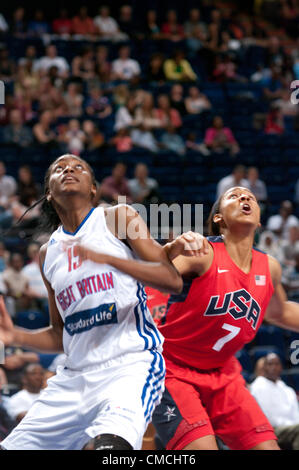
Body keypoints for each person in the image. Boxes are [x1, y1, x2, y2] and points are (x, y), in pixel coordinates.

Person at [0, 153, 200, 450]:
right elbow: (60, 335)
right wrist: (16, 335)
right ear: (48, 192)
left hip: (128, 366)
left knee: (112, 451)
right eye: (60, 168)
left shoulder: (118, 217)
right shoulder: (48, 253)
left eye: (78, 167)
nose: (69, 169)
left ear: (93, 188)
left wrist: (110, 259)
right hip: (74, 378)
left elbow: (170, 280)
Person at [152, 185, 299, 450]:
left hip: (224, 375)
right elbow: (153, 280)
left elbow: (280, 312)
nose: (245, 197)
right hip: (172, 369)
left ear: (259, 218)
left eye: (250, 197)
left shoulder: (270, 267)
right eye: (234, 196)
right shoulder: (202, 252)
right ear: (218, 217)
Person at [250, 353, 299, 450]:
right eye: (270, 364)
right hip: (271, 429)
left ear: (281, 367)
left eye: (277, 364)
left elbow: (296, 414)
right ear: (264, 368)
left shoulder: (287, 389)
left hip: (290, 427)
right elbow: (267, 417)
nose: (274, 367)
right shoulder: (258, 386)